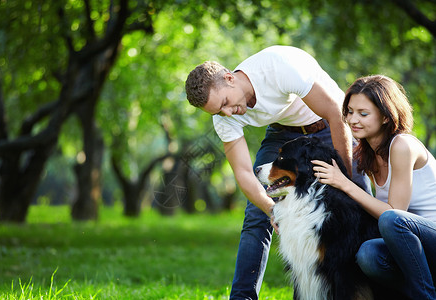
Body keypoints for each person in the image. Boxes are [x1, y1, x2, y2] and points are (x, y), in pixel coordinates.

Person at [185, 45, 370, 299]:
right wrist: (271, 209)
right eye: (219, 111)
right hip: (283, 133)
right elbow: (243, 173)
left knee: (359, 200)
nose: (227, 113)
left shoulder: (278, 67)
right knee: (255, 215)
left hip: (329, 124)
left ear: (229, 78)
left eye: (226, 103)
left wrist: (345, 181)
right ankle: (242, 297)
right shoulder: (224, 117)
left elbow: (335, 114)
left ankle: (378, 284)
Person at [312, 75, 436, 299]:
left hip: (431, 238)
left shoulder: (402, 146)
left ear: (386, 117)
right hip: (412, 248)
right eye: (349, 112)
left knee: (390, 220)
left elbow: (394, 213)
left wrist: (344, 183)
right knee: (367, 254)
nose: (352, 120)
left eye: (363, 113)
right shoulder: (366, 152)